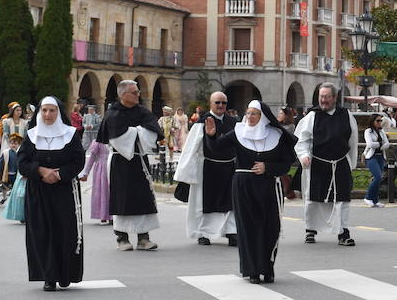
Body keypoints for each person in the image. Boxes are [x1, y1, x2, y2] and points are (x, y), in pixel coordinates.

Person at [206, 101, 296, 284]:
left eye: (254, 113)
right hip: (243, 185)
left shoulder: (276, 135)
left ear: (263, 116)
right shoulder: (238, 133)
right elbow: (217, 148)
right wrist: (212, 135)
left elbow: (287, 163)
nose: (249, 117)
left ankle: (267, 267)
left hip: (269, 186)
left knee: (271, 227)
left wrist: (268, 167)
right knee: (248, 228)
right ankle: (252, 270)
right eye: (247, 113)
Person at [19, 97, 85, 292]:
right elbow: (22, 163)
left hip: (64, 190)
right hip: (38, 192)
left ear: (59, 112)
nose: (48, 115)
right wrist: (41, 171)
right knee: (42, 232)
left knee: (64, 232)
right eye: (44, 110)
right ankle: (48, 276)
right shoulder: (31, 135)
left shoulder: (70, 134)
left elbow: (78, 160)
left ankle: (65, 274)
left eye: (52, 111)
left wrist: (59, 174)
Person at [96, 80, 162, 250]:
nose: (138, 95)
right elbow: (117, 138)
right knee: (122, 197)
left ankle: (143, 238)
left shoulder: (142, 111)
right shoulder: (113, 114)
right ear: (123, 95)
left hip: (139, 160)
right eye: (134, 92)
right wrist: (139, 131)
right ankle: (122, 238)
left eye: (138, 92)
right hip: (121, 161)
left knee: (143, 197)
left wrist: (136, 132)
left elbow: (152, 131)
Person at [294, 83, 361, 244]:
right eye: (321, 97)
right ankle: (310, 229)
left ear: (334, 98)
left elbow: (353, 141)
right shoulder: (312, 116)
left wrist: (350, 163)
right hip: (317, 163)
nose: (323, 100)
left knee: (342, 198)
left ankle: (343, 232)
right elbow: (301, 139)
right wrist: (303, 156)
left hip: (340, 163)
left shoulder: (346, 115)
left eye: (326, 97)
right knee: (313, 198)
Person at [174, 92, 239, 247]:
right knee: (203, 203)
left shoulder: (233, 122)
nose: (221, 106)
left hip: (229, 167)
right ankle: (203, 233)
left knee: (231, 202)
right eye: (217, 102)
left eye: (224, 103)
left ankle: (231, 232)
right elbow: (191, 148)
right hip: (207, 168)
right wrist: (186, 171)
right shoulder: (201, 123)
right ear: (211, 104)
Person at [79, 127, 112, 225]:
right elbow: (91, 159)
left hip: (112, 168)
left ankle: (111, 215)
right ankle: (104, 215)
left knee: (111, 192)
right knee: (103, 192)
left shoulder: (115, 141)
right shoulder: (98, 142)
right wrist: (85, 172)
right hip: (102, 170)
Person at [363, 114, 387, 208]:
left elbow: (387, 144)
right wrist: (381, 144)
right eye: (377, 121)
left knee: (379, 179)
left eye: (381, 121)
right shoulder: (368, 131)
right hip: (371, 157)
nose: (380, 122)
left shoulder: (382, 131)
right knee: (377, 176)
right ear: (372, 122)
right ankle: (368, 197)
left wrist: (379, 144)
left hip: (381, 156)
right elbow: (369, 144)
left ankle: (375, 200)